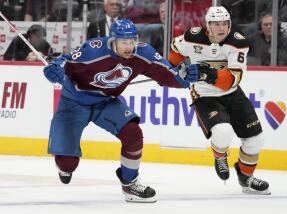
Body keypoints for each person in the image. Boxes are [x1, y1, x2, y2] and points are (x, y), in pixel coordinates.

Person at [43, 19, 200, 203]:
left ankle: (130, 184)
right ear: (113, 41)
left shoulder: (143, 53)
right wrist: (55, 68)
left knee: (133, 134)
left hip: (106, 101)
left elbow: (167, 74)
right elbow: (66, 60)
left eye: (132, 41)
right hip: (74, 101)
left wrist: (184, 79)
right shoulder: (94, 50)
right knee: (67, 164)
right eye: (124, 42)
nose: (129, 46)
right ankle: (64, 165)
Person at [168, 6, 271, 195]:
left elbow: (231, 80)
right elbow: (175, 51)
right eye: (216, 24)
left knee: (256, 140)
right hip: (205, 96)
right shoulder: (192, 37)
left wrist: (204, 72)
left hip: (232, 93)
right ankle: (220, 156)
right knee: (223, 132)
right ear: (208, 25)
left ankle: (246, 178)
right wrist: (177, 67)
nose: (221, 28)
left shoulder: (238, 43)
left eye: (225, 23)